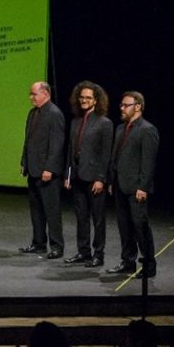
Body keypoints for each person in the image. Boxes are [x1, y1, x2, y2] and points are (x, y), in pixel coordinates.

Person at [106, 91, 159, 278]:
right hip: (121, 185)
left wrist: (143, 187)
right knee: (125, 226)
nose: (121, 108)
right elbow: (116, 157)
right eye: (121, 105)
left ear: (138, 106)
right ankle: (128, 261)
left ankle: (149, 265)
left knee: (140, 226)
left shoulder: (147, 130)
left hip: (136, 188)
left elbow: (148, 162)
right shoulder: (121, 128)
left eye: (125, 105)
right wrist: (112, 180)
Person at [63, 81, 113, 268]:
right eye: (81, 97)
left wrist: (101, 178)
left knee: (98, 220)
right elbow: (70, 150)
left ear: (96, 100)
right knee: (81, 217)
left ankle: (98, 254)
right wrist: (67, 175)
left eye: (88, 98)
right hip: (77, 177)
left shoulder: (104, 123)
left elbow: (105, 154)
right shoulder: (75, 121)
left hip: (94, 179)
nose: (84, 100)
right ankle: (83, 252)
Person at [19, 81, 66, 259]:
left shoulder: (54, 114)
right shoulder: (33, 113)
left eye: (34, 94)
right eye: (31, 94)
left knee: (51, 210)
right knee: (36, 209)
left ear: (45, 93)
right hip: (33, 169)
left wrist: (49, 168)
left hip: (47, 172)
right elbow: (28, 141)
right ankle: (38, 243)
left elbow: (56, 144)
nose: (31, 97)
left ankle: (56, 246)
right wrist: (24, 161)